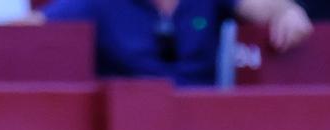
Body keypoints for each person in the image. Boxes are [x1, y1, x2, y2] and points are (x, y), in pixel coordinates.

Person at [41, 0, 313, 85]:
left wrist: (287, 11)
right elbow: (35, 27)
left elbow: (261, 5)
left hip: (203, 122)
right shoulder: (98, 3)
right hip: (129, 123)